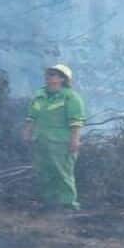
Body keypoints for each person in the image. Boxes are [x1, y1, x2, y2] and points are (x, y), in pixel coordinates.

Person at [22, 63, 86, 210]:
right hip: (41, 140)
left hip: (61, 143)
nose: (48, 77)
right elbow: (31, 117)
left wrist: (75, 141)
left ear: (63, 79)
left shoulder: (71, 97)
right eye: (48, 74)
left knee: (63, 173)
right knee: (44, 171)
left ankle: (68, 205)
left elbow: (76, 122)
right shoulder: (40, 96)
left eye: (53, 74)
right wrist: (27, 132)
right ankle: (48, 202)